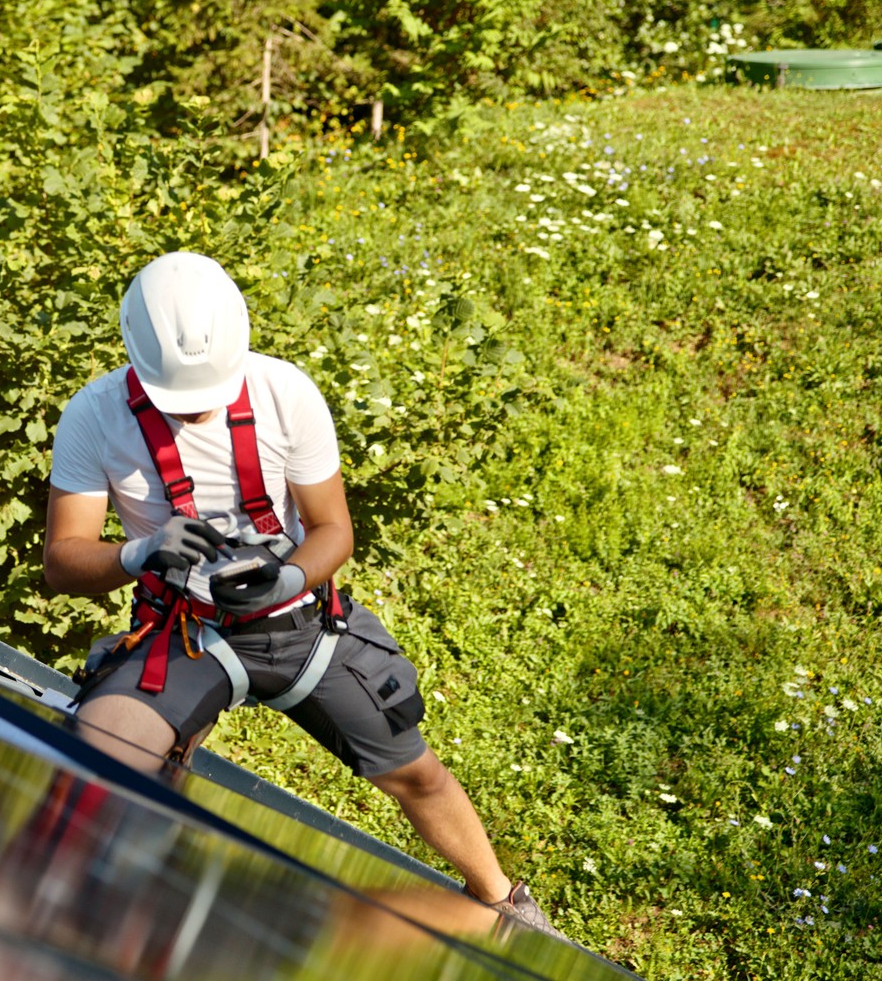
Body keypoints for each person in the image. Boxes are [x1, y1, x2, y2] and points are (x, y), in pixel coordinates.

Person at [41, 251, 563, 939]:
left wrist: (287, 578)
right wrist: (138, 552)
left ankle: (507, 911)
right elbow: (64, 562)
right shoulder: (96, 415)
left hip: (298, 626)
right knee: (102, 752)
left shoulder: (285, 394)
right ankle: (98, 905)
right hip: (185, 632)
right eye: (178, 397)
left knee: (417, 776)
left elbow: (333, 530)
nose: (195, 407)